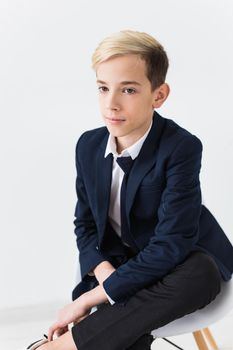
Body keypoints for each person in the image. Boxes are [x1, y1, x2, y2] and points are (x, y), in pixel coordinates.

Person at [26, 30, 233, 350]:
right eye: (103, 88)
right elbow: (85, 226)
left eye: (129, 89)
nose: (112, 103)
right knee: (124, 330)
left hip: (179, 261)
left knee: (200, 273)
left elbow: (171, 245)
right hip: (120, 264)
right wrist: (106, 274)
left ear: (159, 95)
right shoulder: (89, 145)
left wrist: (94, 298)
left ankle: (57, 347)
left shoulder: (181, 147)